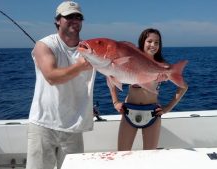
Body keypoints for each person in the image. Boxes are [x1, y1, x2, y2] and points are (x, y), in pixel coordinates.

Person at [26, 1, 96, 169]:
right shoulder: (44, 45)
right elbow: (51, 77)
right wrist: (80, 66)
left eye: (78, 17)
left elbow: (113, 72)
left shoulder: (91, 48)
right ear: (57, 20)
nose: (74, 20)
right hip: (44, 125)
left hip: (74, 126)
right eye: (69, 16)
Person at [109, 28, 188, 151]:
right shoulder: (131, 60)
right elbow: (110, 76)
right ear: (142, 42)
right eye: (149, 41)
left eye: (157, 42)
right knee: (122, 154)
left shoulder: (164, 66)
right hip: (129, 111)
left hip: (152, 113)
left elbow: (183, 87)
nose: (153, 45)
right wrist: (115, 102)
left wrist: (167, 108)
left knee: (150, 157)